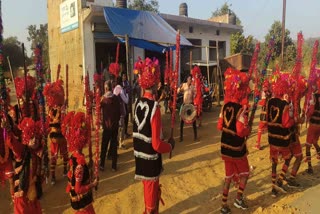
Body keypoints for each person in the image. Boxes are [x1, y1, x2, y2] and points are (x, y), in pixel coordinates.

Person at [133, 57, 175, 214]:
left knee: (149, 196)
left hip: (140, 158)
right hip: (150, 160)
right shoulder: (154, 107)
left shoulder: (137, 103)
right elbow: (157, 144)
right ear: (156, 83)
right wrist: (170, 145)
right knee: (151, 205)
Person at [217, 68, 251, 214]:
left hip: (225, 148)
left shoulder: (224, 107)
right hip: (237, 149)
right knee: (245, 174)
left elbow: (219, 126)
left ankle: (224, 205)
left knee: (228, 177)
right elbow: (240, 131)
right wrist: (248, 129)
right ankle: (238, 199)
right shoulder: (241, 110)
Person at [267, 71, 295, 197]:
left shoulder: (270, 102)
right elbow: (287, 123)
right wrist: (294, 120)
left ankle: (273, 187)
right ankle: (280, 180)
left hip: (272, 138)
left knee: (274, 162)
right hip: (282, 139)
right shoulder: (285, 105)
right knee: (289, 157)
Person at [63, 111, 98, 214]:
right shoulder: (79, 165)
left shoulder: (73, 157)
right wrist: (92, 184)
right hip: (83, 205)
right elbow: (78, 189)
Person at [43, 79, 69, 185]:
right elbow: (61, 121)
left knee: (56, 155)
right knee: (60, 154)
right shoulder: (59, 109)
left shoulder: (50, 109)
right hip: (59, 135)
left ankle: (56, 175)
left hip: (55, 136)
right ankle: (61, 172)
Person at [99, 80, 121, 172]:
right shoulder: (116, 98)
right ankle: (114, 166)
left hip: (107, 126)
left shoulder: (103, 99)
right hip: (114, 126)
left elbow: (98, 110)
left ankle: (102, 165)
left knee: (104, 146)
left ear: (105, 88)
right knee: (113, 145)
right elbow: (119, 112)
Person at [305, 78, 320, 174]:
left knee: (307, 145)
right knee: (315, 141)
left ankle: (310, 166)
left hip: (314, 123)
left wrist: (306, 115)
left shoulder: (314, 96)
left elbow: (310, 111)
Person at [178, 75, 197, 142]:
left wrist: (195, 95)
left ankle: (195, 136)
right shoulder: (184, 85)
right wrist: (179, 88)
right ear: (187, 80)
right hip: (184, 104)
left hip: (191, 105)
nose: (190, 80)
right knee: (181, 122)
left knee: (193, 121)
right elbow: (178, 92)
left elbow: (195, 94)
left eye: (191, 79)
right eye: (189, 79)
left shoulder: (193, 87)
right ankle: (181, 137)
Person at [254, 79, 271, 150]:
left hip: (265, 113)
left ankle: (258, 144)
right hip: (270, 112)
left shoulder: (265, 92)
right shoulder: (271, 91)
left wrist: (257, 103)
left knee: (260, 128)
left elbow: (264, 103)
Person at [114, 77, 129, 149]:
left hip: (115, 112)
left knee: (117, 127)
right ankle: (121, 143)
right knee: (122, 128)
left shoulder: (114, 89)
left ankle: (116, 142)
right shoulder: (121, 89)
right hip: (121, 111)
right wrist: (127, 95)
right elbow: (126, 101)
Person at [121, 72, 131, 137]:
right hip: (122, 104)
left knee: (127, 117)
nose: (124, 77)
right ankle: (123, 133)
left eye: (125, 76)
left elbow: (130, 90)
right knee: (123, 119)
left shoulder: (128, 83)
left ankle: (126, 132)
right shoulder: (120, 84)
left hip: (127, 102)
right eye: (123, 76)